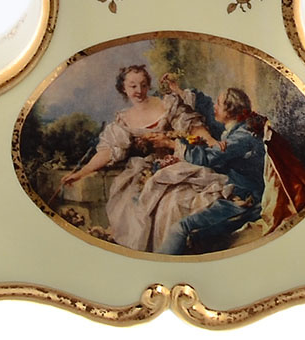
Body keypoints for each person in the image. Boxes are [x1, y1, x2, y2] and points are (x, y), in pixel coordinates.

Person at [60, 65, 228, 253]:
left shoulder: (167, 104)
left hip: (176, 163)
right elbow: (107, 152)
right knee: (134, 207)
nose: (138, 91)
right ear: (123, 88)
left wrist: (212, 142)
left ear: (148, 85)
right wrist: (81, 173)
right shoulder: (123, 120)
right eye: (133, 86)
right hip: (145, 170)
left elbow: (194, 128)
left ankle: (176, 250)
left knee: (174, 203)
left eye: (143, 85)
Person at [156, 86, 268, 255]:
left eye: (219, 104)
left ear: (230, 110)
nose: (214, 107)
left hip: (245, 200)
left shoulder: (242, 136)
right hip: (237, 190)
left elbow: (207, 159)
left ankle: (161, 265)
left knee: (180, 228)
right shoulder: (237, 130)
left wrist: (170, 144)